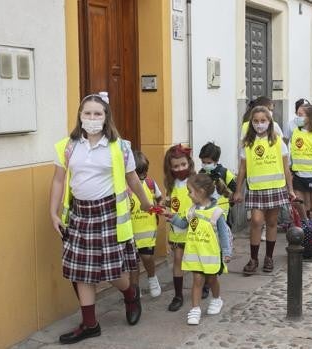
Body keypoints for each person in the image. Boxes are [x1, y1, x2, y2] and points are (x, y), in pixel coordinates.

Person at [50, 93, 150, 344]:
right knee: (82, 273)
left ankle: (129, 294)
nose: (92, 118)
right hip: (80, 215)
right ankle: (90, 324)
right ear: (80, 116)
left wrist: (147, 203)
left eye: (97, 113)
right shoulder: (67, 146)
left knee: (113, 271)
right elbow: (59, 180)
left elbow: (133, 180)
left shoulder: (120, 146)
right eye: (87, 113)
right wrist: (52, 213)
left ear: (106, 117)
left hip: (109, 215)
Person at [233, 106, 295, 276]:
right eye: (256, 121)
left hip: (275, 187)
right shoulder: (248, 144)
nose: (259, 125)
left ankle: (269, 257)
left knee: (272, 222)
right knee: (256, 221)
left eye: (263, 121)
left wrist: (290, 189)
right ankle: (253, 258)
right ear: (251, 123)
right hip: (256, 189)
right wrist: (238, 191)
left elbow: (286, 168)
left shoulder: (278, 142)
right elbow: (243, 169)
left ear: (270, 122)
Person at [166, 174, 232, 325]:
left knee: (212, 279)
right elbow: (183, 224)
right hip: (195, 254)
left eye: (190, 191)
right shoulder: (191, 211)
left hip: (211, 254)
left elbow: (223, 234)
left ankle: (216, 299)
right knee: (197, 280)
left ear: (201, 191)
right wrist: (172, 217)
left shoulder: (216, 212)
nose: (188, 194)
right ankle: (195, 309)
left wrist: (227, 252)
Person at [198, 141, 236, 299]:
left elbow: (234, 191)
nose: (206, 165)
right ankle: (206, 283)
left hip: (221, 216)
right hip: (204, 217)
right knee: (206, 249)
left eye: (209, 162)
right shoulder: (200, 173)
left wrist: (222, 186)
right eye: (203, 162)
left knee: (217, 248)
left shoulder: (224, 173)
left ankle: (212, 276)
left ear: (216, 161)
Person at [163, 144, 196, 312]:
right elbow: (169, 204)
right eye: (176, 166)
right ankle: (178, 295)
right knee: (177, 260)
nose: (180, 168)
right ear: (170, 168)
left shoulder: (195, 181)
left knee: (197, 260)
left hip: (195, 228)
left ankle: (203, 285)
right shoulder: (170, 184)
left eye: (183, 164)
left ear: (189, 163)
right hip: (177, 230)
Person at [129, 151, 164, 298]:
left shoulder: (150, 184)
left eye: (145, 171)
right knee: (133, 262)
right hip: (131, 231)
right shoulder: (126, 187)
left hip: (148, 229)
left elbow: (160, 197)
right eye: (140, 172)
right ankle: (135, 288)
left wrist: (160, 205)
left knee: (147, 258)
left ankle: (152, 278)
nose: (143, 175)